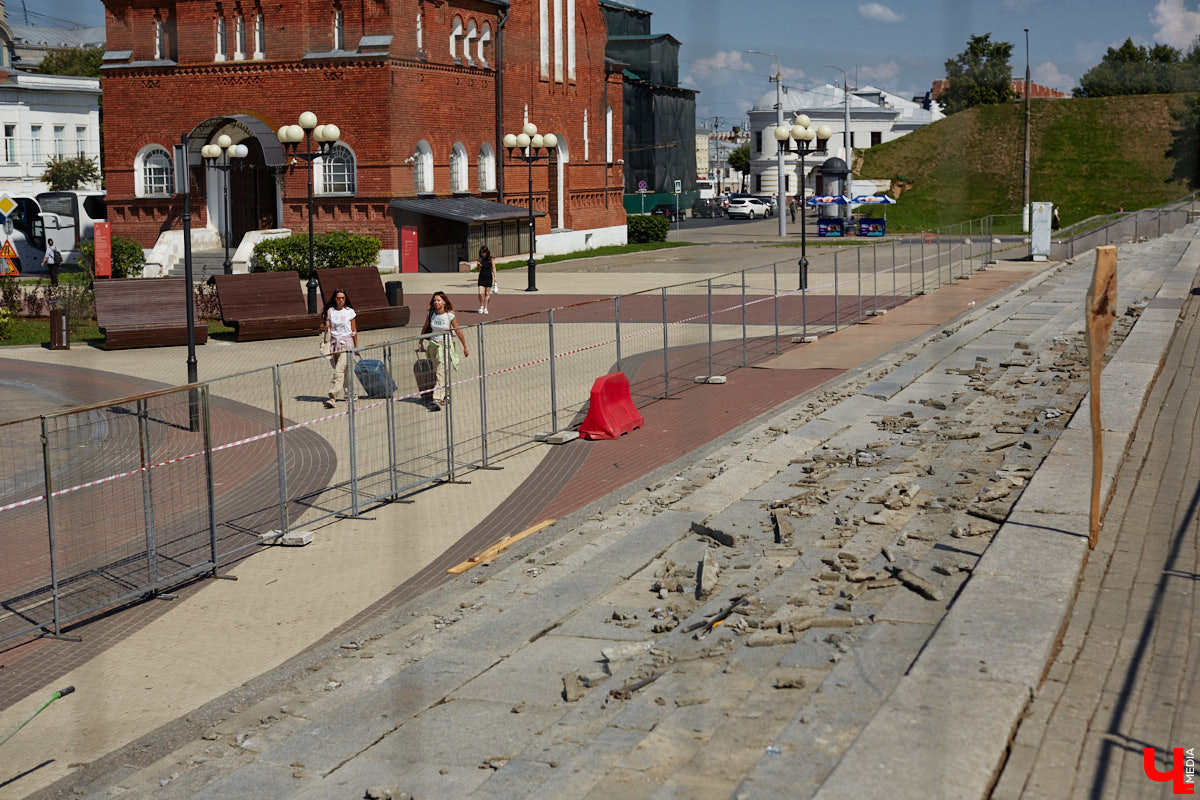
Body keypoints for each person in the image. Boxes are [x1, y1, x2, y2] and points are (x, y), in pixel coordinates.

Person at [418, 291, 469, 411]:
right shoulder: (431, 313)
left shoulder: (449, 315)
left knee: (441, 371)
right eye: (435, 300)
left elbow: (458, 331)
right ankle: (447, 394)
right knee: (439, 372)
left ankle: (437, 399)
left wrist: (465, 346)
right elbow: (425, 328)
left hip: (445, 345)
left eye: (439, 300)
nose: (436, 302)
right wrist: (420, 342)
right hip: (433, 345)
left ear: (444, 302)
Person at [321, 289, 358, 409]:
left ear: (345, 299)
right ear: (335, 299)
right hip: (334, 344)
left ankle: (333, 396)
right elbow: (324, 326)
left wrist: (356, 347)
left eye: (343, 298)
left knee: (338, 371)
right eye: (338, 298)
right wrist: (325, 326)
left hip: (347, 344)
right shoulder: (330, 311)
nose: (341, 300)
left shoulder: (350, 312)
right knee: (346, 371)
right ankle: (351, 394)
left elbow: (354, 331)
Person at [475, 245, 495, 314]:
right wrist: (478, 266)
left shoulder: (491, 259)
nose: (482, 254)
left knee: (487, 293)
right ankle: (481, 306)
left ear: (487, 252)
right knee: (480, 293)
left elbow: (494, 268)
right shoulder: (480, 260)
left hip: (489, 277)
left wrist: (495, 278)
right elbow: (477, 270)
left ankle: (486, 307)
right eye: (481, 253)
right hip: (481, 277)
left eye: (484, 252)